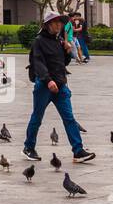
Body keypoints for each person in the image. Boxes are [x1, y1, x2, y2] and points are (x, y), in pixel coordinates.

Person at [22, 12, 94, 164]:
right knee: (37, 117)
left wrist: (67, 52)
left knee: (69, 118)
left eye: (60, 23)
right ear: (48, 25)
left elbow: (62, 63)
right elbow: (38, 63)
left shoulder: (59, 41)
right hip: (44, 85)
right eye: (55, 23)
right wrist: (48, 81)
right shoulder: (39, 42)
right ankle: (29, 147)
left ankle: (78, 151)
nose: (59, 25)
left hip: (60, 85)